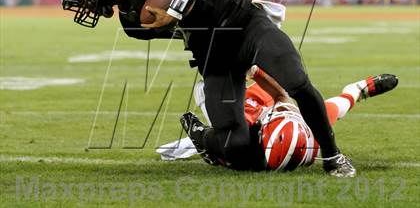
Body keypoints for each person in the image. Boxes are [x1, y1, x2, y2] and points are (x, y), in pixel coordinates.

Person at [57, 0, 352, 176]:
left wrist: (175, 7)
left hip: (241, 21)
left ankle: (333, 157)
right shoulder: (132, 23)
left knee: (297, 82)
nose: (82, 6)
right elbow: (187, 32)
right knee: (234, 146)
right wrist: (175, 21)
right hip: (213, 51)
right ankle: (202, 136)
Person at [160, 66, 398, 177]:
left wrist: (198, 133)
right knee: (343, 102)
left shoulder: (242, 136)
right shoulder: (311, 141)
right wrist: (255, 70)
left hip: (244, 109)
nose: (288, 107)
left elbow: (281, 99)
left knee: (212, 91)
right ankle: (362, 87)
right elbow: (283, 96)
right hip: (278, 113)